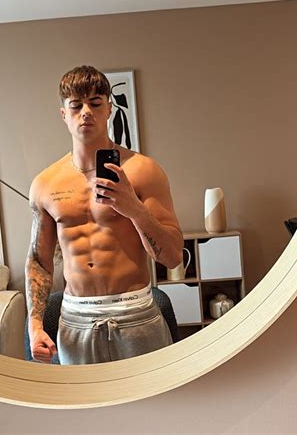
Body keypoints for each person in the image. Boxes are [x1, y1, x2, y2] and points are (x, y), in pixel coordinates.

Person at [25, 65, 183, 365]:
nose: (86, 112)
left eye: (95, 103)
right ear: (64, 114)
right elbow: (39, 261)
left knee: (152, 396)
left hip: (135, 314)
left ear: (109, 109)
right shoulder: (45, 184)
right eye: (76, 105)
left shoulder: (143, 171)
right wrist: (35, 326)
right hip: (75, 321)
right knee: (83, 398)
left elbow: (173, 256)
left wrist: (133, 208)